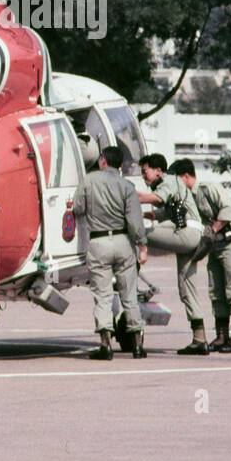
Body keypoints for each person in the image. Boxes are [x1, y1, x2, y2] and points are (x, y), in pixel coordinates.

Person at [73, 144, 148, 360]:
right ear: (120, 164)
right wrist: (142, 245)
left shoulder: (88, 181)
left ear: (102, 160)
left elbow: (78, 208)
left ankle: (105, 345)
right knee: (129, 295)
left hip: (98, 243)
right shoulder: (127, 186)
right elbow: (135, 222)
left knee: (103, 296)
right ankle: (137, 346)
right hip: (123, 241)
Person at [172, 159, 231, 353]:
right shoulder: (188, 197)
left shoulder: (208, 188)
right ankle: (222, 335)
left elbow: (228, 210)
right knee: (216, 290)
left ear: (186, 176)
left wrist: (212, 230)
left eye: (177, 180)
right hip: (215, 245)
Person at [138, 153, 209, 355]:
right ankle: (200, 339)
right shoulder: (170, 186)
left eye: (145, 172)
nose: (144, 176)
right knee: (186, 288)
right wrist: (145, 212)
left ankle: (132, 261)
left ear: (159, 170)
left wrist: (129, 196)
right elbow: (162, 212)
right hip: (189, 235)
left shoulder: (169, 180)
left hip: (187, 232)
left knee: (139, 232)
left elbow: (157, 198)